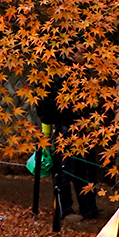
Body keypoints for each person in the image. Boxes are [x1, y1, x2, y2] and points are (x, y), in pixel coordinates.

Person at [34, 78, 99, 221]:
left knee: (83, 170)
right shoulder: (58, 80)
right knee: (66, 171)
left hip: (78, 130)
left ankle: (88, 208)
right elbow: (46, 110)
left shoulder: (82, 77)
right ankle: (66, 209)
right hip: (66, 130)